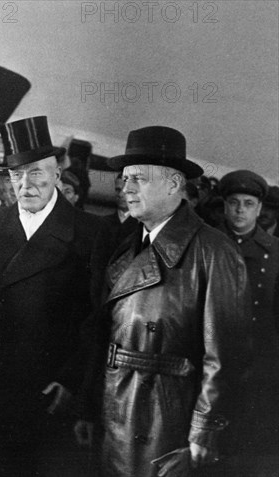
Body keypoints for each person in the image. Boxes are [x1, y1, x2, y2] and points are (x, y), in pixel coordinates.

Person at [0, 116, 111, 476]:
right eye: (16, 175)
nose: (25, 184)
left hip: (48, 393)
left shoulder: (89, 233)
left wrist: (72, 382)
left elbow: (96, 319)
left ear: (57, 176)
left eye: (36, 173)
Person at [76, 126, 251, 477]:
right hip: (115, 413)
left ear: (173, 184)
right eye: (125, 180)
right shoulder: (127, 243)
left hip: (165, 424)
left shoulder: (214, 253)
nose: (125, 190)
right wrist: (88, 406)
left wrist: (203, 434)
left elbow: (225, 357)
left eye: (137, 179)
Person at [216, 170, 279, 475]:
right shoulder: (206, 242)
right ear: (224, 205)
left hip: (255, 362)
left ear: (259, 209)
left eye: (248, 203)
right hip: (207, 353)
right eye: (234, 202)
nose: (240, 210)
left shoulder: (275, 252)